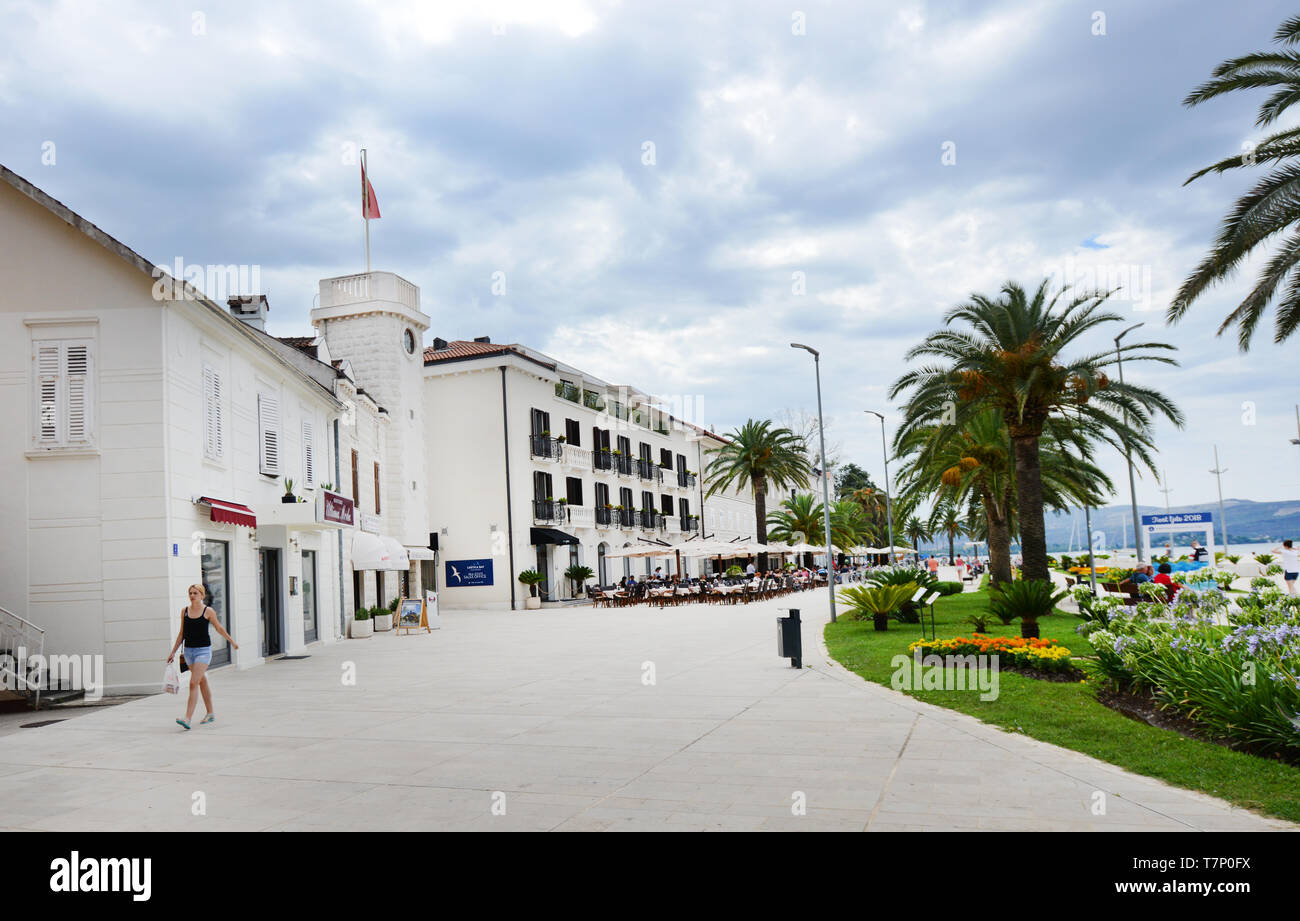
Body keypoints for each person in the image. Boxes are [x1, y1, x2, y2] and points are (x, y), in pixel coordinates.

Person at [167, 583, 238, 730]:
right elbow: (182, 634)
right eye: (190, 593)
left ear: (202, 595)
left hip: (203, 652)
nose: (192, 596)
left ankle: (187, 718)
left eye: (195, 593)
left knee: (193, 683)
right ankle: (210, 713)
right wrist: (173, 652)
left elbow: (219, 628)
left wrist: (231, 641)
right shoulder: (184, 611)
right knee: (202, 681)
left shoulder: (208, 611)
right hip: (189, 652)